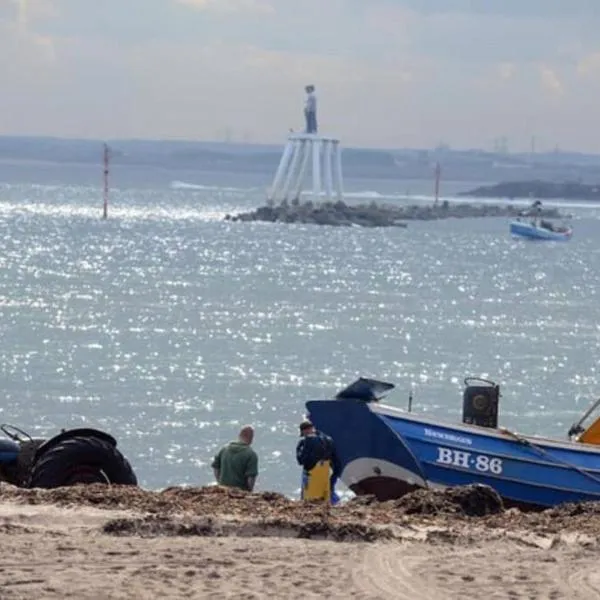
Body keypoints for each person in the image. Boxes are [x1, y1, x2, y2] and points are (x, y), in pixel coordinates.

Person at [296, 419, 341, 503]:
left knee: (309, 501)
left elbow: (301, 460)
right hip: (325, 475)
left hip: (312, 476)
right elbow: (337, 464)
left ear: (305, 431)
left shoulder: (308, 440)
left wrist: (299, 448)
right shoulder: (329, 439)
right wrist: (331, 482)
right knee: (324, 500)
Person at [211, 425, 258, 492]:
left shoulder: (224, 449)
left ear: (239, 435)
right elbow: (251, 478)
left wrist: (219, 483)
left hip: (223, 489)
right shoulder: (251, 454)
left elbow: (216, 467)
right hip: (240, 490)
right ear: (251, 437)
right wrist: (249, 491)